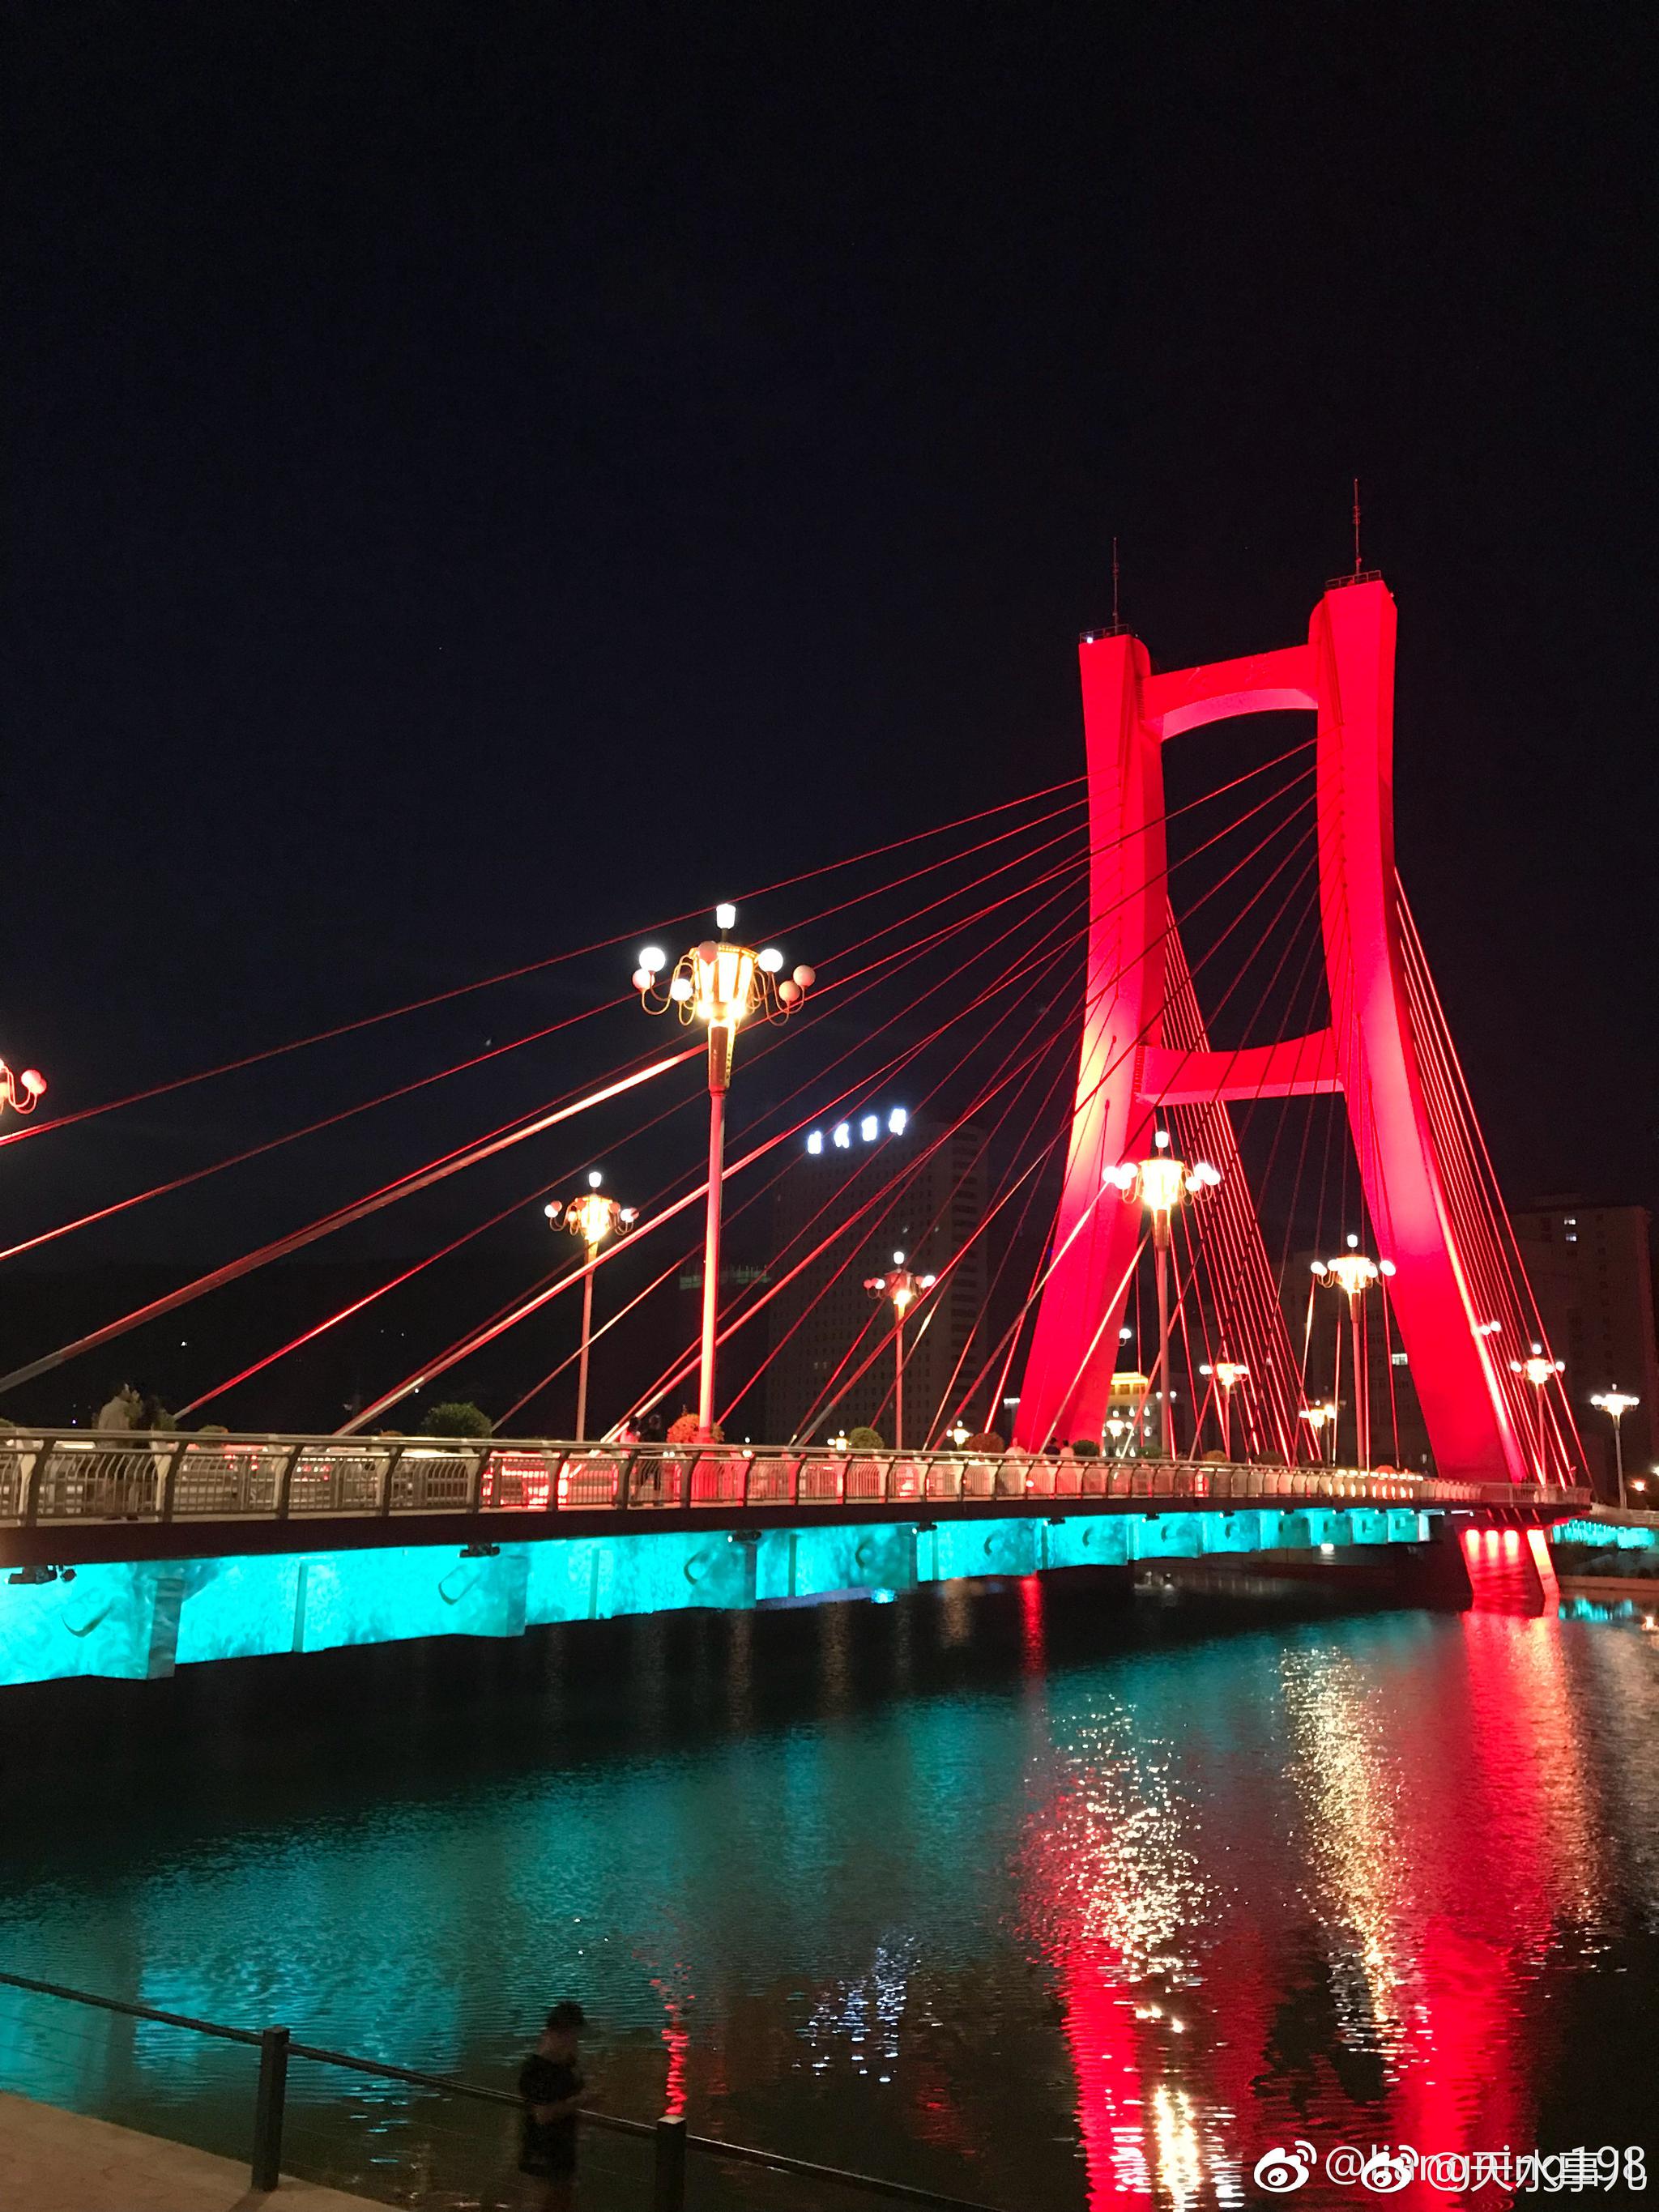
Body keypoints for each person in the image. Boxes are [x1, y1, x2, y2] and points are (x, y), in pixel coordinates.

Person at [517, 2001, 587, 2209]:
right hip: (544, 2154)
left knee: (560, 2201)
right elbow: (543, 2115)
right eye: (574, 2035)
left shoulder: (564, 2064)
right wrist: (580, 2101)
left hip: (561, 2152)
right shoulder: (537, 2070)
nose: (576, 2041)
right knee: (541, 2202)